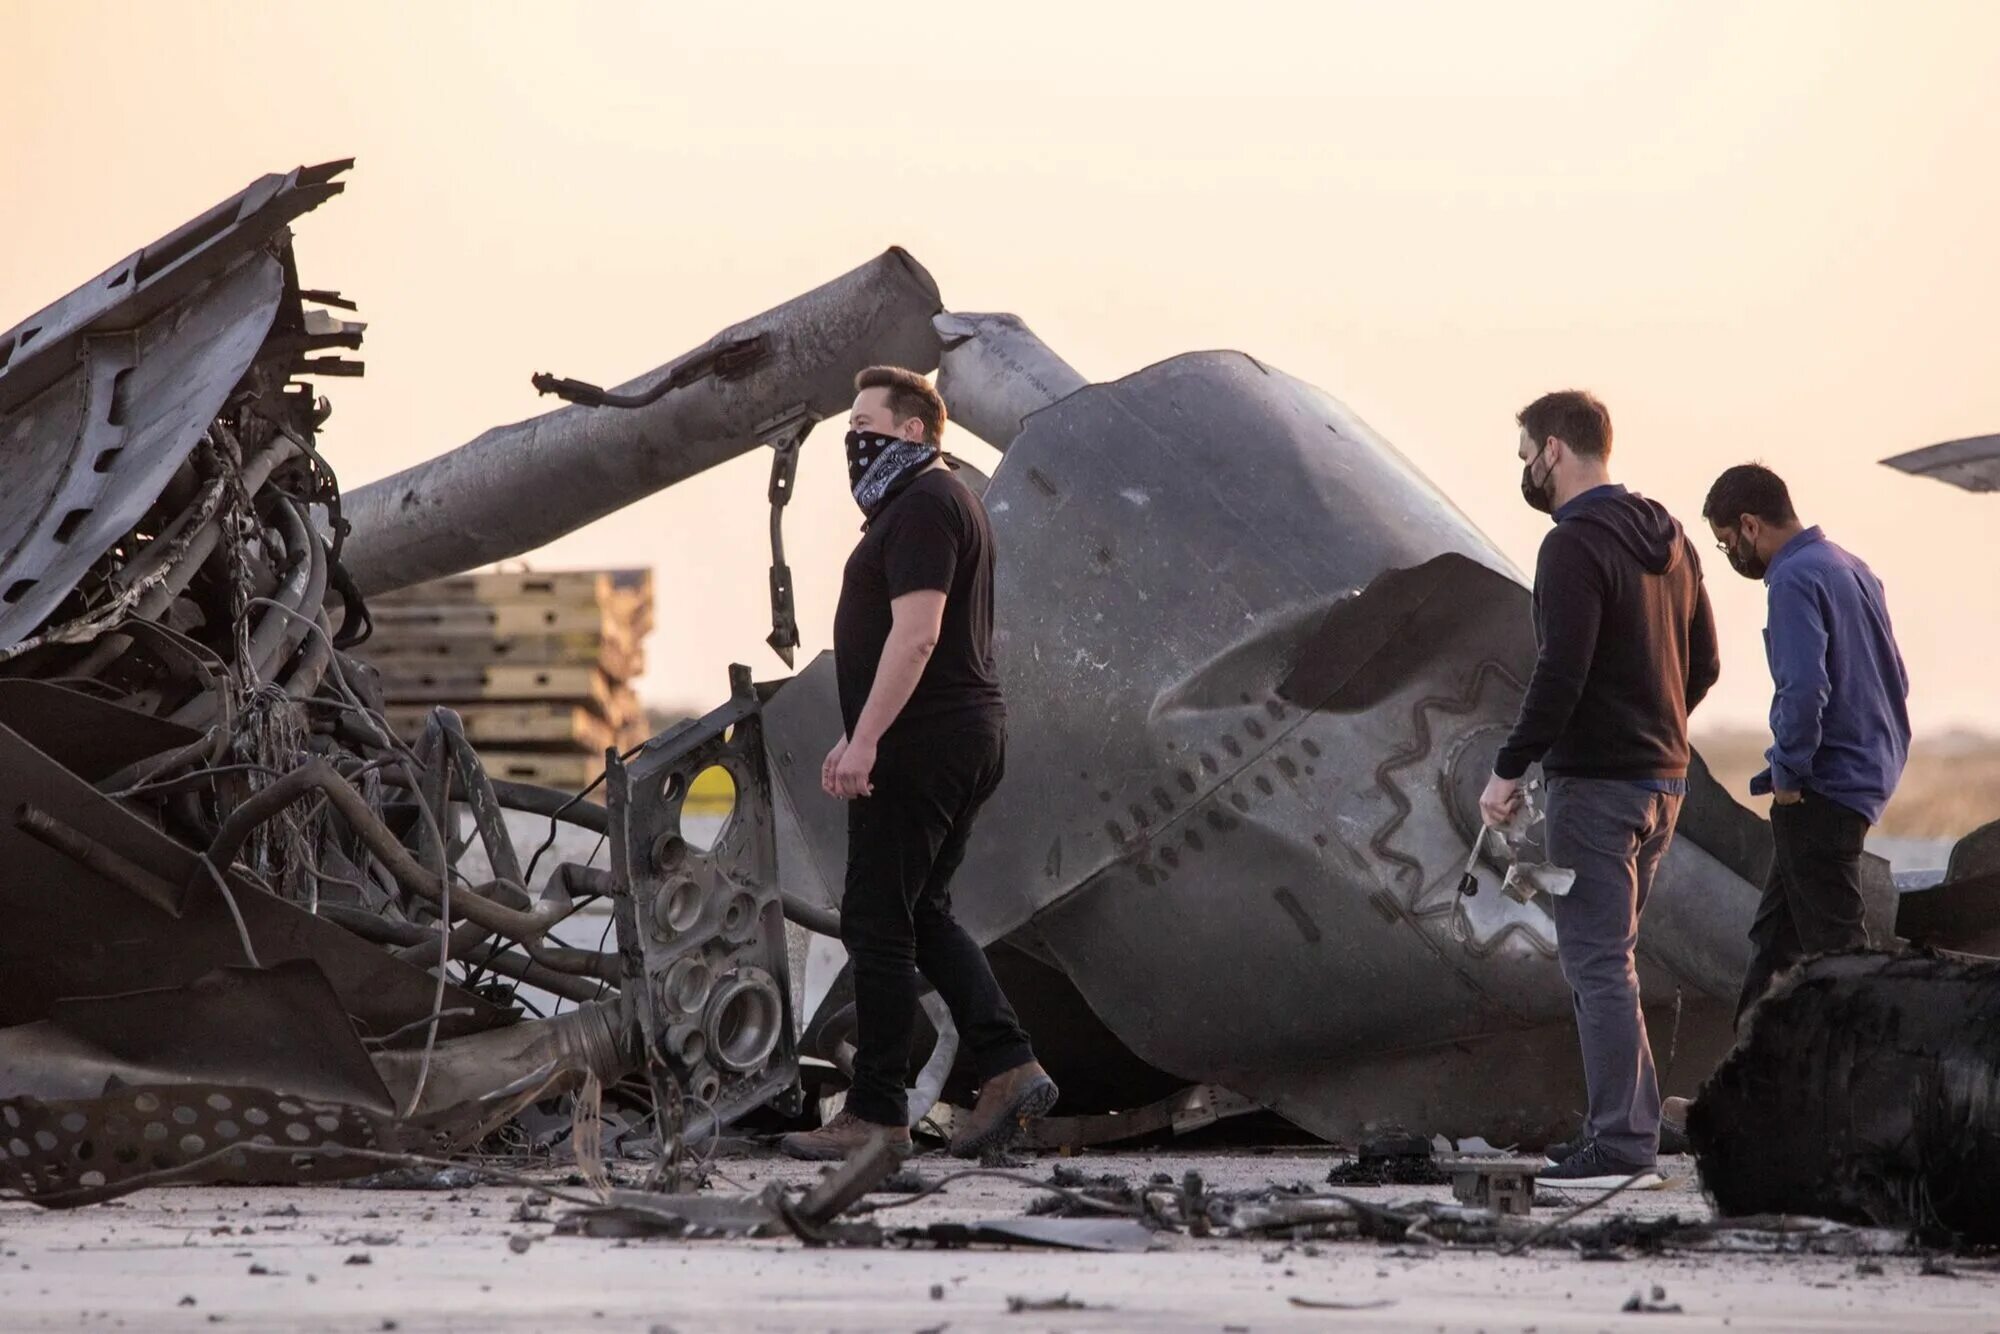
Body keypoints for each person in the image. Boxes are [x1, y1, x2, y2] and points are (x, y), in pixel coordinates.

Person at [780, 366, 1056, 1162]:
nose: (852, 439)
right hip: (958, 733)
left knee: (876, 921)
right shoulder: (934, 501)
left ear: (911, 431)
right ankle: (1009, 1064)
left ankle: (877, 1115)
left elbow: (919, 633)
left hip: (920, 739)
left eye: (865, 423)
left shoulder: (927, 503)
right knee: (922, 913)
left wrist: (863, 738)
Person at [1480, 390, 1720, 1190]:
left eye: (1524, 455)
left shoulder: (1572, 545)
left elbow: (1562, 671)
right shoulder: (1673, 539)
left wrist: (1510, 768)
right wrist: (1655, 723)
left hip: (1597, 789)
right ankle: (1626, 1126)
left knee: (1595, 963)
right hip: (1664, 782)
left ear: (1554, 449)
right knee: (1608, 959)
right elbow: (1706, 663)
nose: (1523, 470)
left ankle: (1620, 1141)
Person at [1702, 464, 1909, 1022]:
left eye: (1726, 543)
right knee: (1774, 947)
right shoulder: (1851, 567)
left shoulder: (1793, 579)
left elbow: (1804, 689)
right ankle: (1741, 1095)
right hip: (1861, 777)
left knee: (1841, 964)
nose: (1732, 557)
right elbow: (1895, 679)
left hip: (1822, 789)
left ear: (1750, 525)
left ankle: (1869, 1092)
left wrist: (1789, 776)